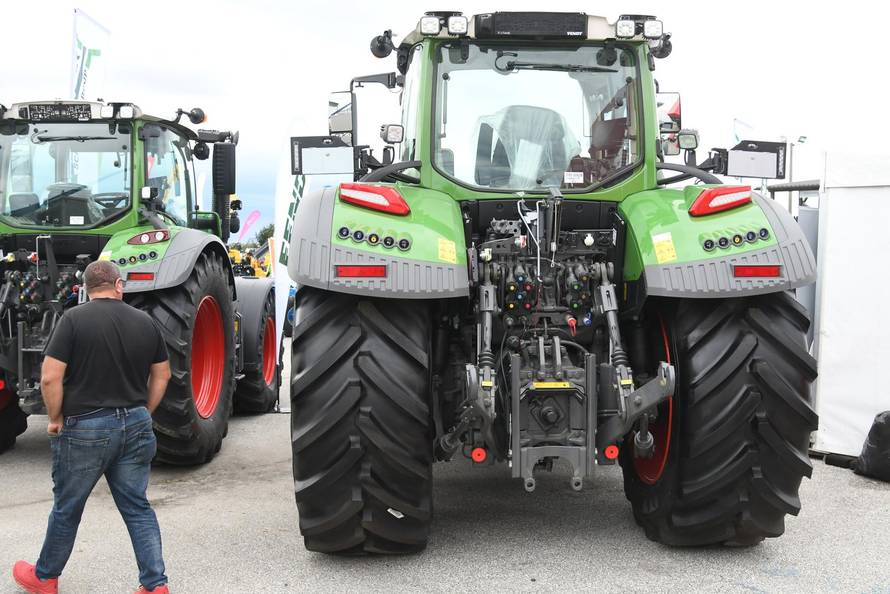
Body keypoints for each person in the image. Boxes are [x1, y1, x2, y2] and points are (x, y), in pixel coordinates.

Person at [12, 260, 173, 594]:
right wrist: (144, 411)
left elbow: (49, 377)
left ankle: (45, 578)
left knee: (68, 507)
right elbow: (163, 375)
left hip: (86, 427)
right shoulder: (145, 322)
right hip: (136, 424)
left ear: (86, 288)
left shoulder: (73, 319)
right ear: (118, 285)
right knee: (137, 506)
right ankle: (155, 585)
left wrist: (54, 418)